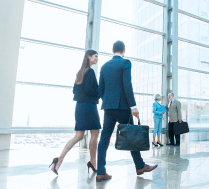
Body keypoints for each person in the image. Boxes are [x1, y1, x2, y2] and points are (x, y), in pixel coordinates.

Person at [96, 41, 158, 182]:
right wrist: (133, 106)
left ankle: (100, 171)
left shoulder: (105, 66)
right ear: (124, 50)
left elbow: (101, 89)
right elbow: (127, 84)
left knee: (104, 139)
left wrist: (108, 101)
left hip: (108, 108)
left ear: (113, 50)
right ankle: (140, 166)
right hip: (123, 107)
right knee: (131, 135)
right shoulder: (125, 63)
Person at [49, 50, 101, 175]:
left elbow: (74, 91)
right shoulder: (90, 72)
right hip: (89, 106)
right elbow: (90, 90)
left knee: (78, 136)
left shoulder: (80, 73)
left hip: (80, 106)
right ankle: (93, 162)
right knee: (95, 133)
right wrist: (100, 90)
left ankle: (58, 160)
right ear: (89, 57)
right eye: (95, 56)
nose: (97, 59)